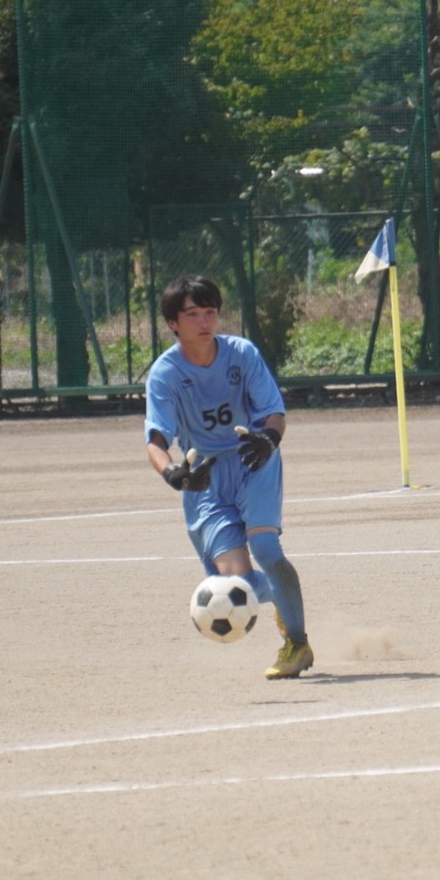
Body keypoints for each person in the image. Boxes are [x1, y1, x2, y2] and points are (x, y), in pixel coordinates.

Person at [144, 274, 314, 679]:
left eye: (210, 312)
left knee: (267, 551)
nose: (204, 322)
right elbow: (155, 439)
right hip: (205, 476)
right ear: (173, 322)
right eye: (192, 314)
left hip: (252, 458)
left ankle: (297, 642)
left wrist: (269, 440)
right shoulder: (165, 374)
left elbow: (275, 412)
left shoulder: (242, 354)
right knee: (234, 582)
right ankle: (280, 593)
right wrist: (174, 474)